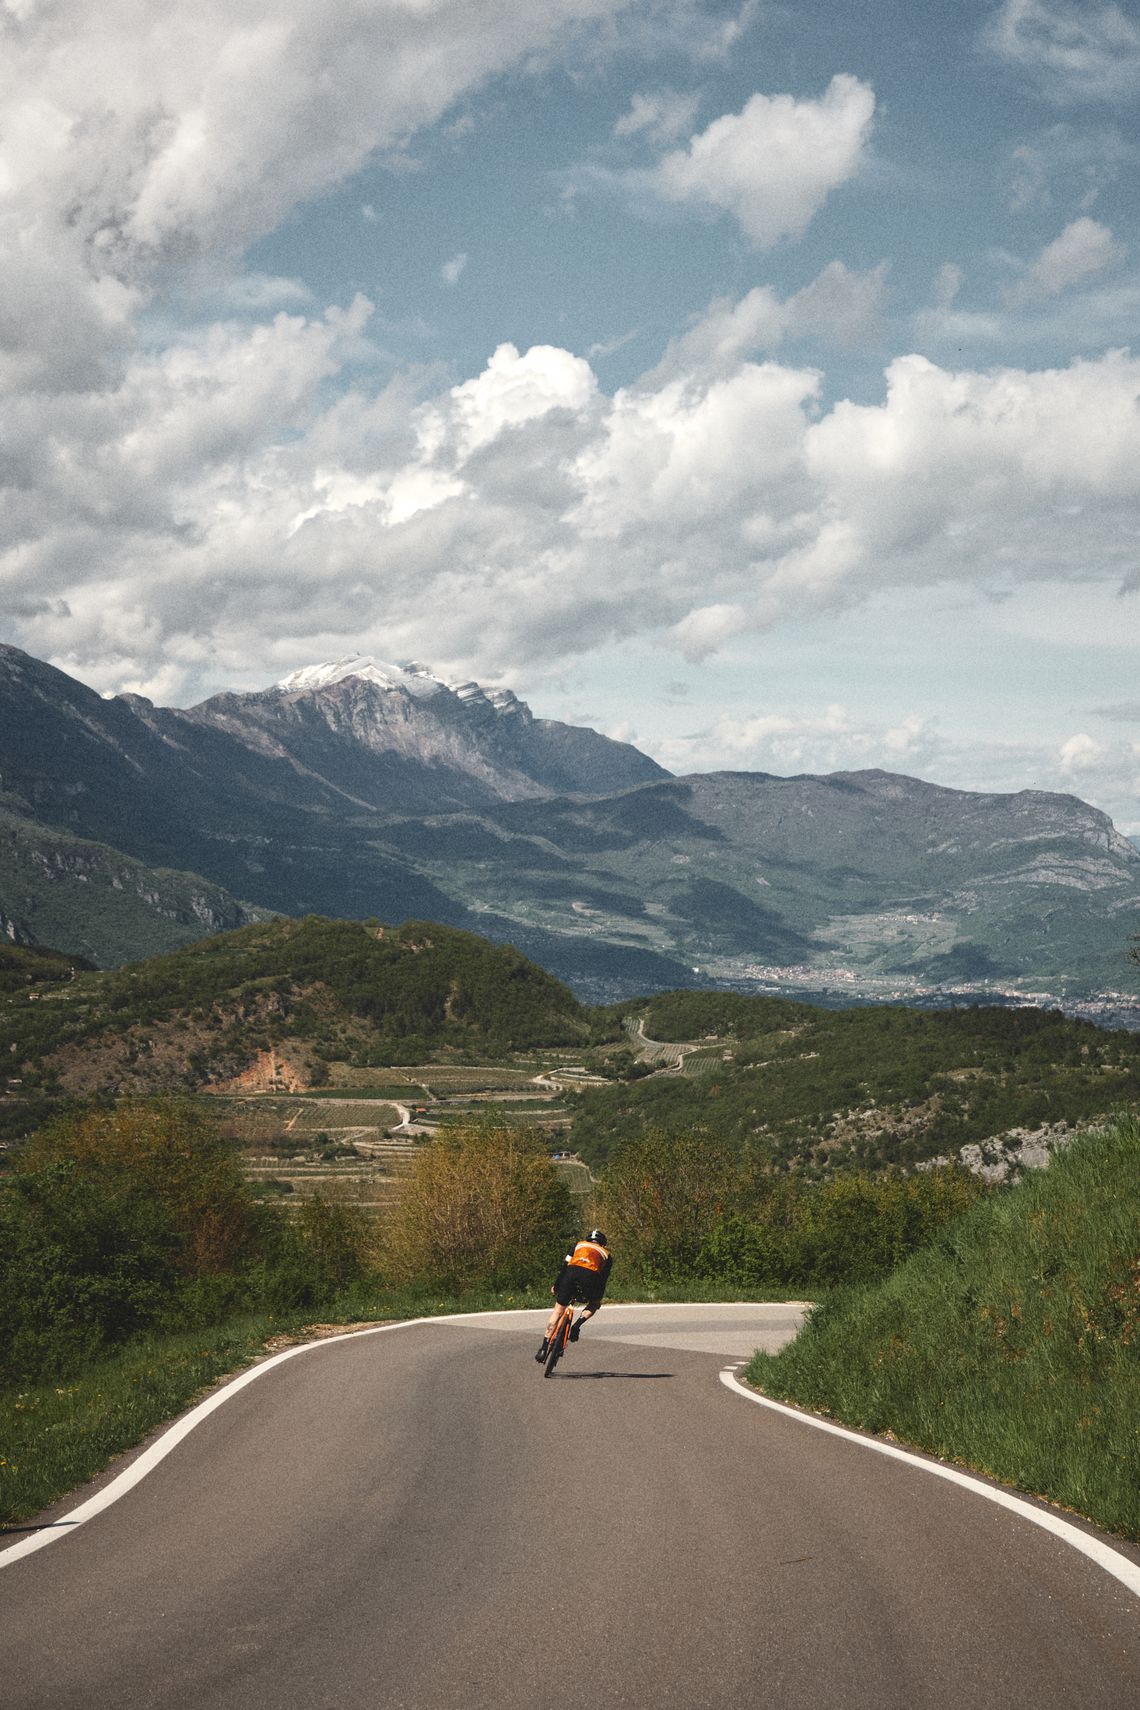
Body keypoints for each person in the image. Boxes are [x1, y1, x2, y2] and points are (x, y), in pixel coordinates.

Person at [535, 1229, 612, 1361]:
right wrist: (597, 1298)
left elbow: (564, 1267)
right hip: (590, 1277)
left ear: (587, 1240)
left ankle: (544, 1347)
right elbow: (603, 1279)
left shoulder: (577, 1246)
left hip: (570, 1274)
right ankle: (576, 1326)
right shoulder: (607, 1255)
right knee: (594, 1304)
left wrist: (556, 1285)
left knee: (558, 1310)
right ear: (603, 1244)